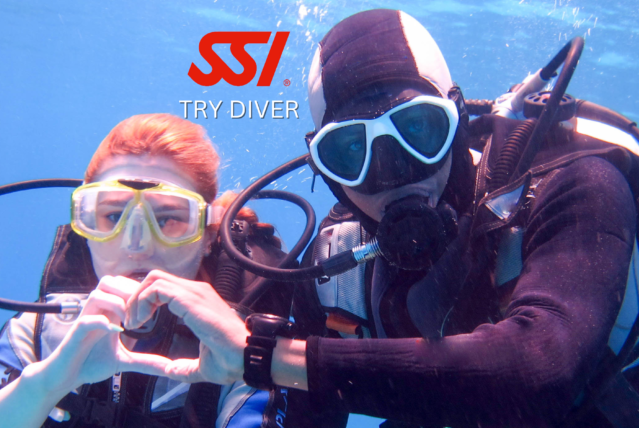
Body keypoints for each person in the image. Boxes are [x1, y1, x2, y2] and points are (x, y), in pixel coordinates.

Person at [111, 10, 639, 428]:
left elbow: (541, 369)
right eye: (351, 151)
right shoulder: (336, 273)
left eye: (418, 130)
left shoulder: (571, 186)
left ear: (455, 119)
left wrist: (270, 357)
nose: (392, 174)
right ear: (326, 171)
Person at [0, 113, 294, 428]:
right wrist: (45, 384)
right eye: (114, 216)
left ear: (207, 235)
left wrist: (250, 360)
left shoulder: (238, 344)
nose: (136, 245)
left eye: (168, 219)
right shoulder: (41, 331)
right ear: (85, 228)